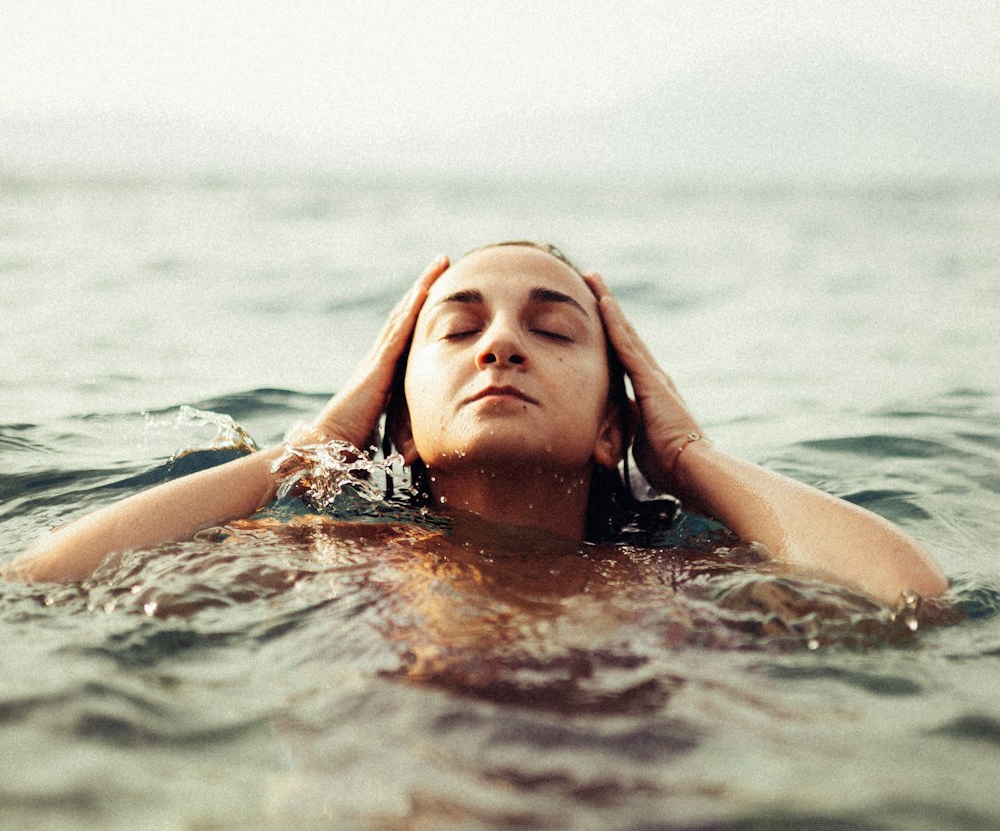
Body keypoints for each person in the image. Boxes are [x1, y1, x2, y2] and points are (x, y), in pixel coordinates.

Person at [4, 242, 948, 606]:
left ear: (610, 430)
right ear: (403, 422)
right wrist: (308, 448)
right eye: (459, 328)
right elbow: (43, 584)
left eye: (552, 327)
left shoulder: (679, 573)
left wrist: (688, 456)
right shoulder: (334, 555)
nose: (501, 345)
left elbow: (910, 598)